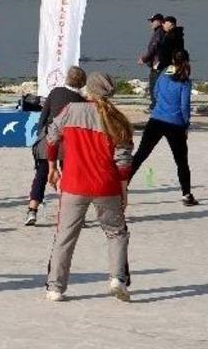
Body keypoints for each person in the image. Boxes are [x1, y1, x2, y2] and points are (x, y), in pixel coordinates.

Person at [44, 72, 133, 302]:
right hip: (107, 185)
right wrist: (124, 189)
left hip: (74, 184)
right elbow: (123, 159)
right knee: (116, 234)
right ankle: (117, 278)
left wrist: (52, 166)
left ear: (88, 90)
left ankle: (55, 288)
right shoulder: (117, 119)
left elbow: (51, 137)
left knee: (65, 236)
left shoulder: (72, 110)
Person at [131, 50, 196, 206]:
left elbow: (155, 92)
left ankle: (122, 185)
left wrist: (161, 105)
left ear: (173, 59)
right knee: (181, 161)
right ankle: (186, 195)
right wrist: (186, 124)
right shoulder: (185, 80)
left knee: (140, 155)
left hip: (156, 119)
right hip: (176, 124)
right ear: (187, 61)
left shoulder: (165, 73)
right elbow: (184, 106)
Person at [25, 66, 87, 226]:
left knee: (41, 174)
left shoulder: (56, 92)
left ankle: (32, 211)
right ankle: (71, 214)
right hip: (70, 142)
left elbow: (43, 117)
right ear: (82, 83)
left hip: (50, 138)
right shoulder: (82, 101)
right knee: (70, 178)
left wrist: (41, 136)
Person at [138, 13, 164, 109]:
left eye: (153, 21)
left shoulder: (159, 32)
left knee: (154, 85)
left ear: (160, 21)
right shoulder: (161, 32)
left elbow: (153, 48)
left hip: (157, 64)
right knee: (160, 85)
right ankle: (158, 105)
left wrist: (144, 59)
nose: (151, 23)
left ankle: (154, 107)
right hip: (161, 63)